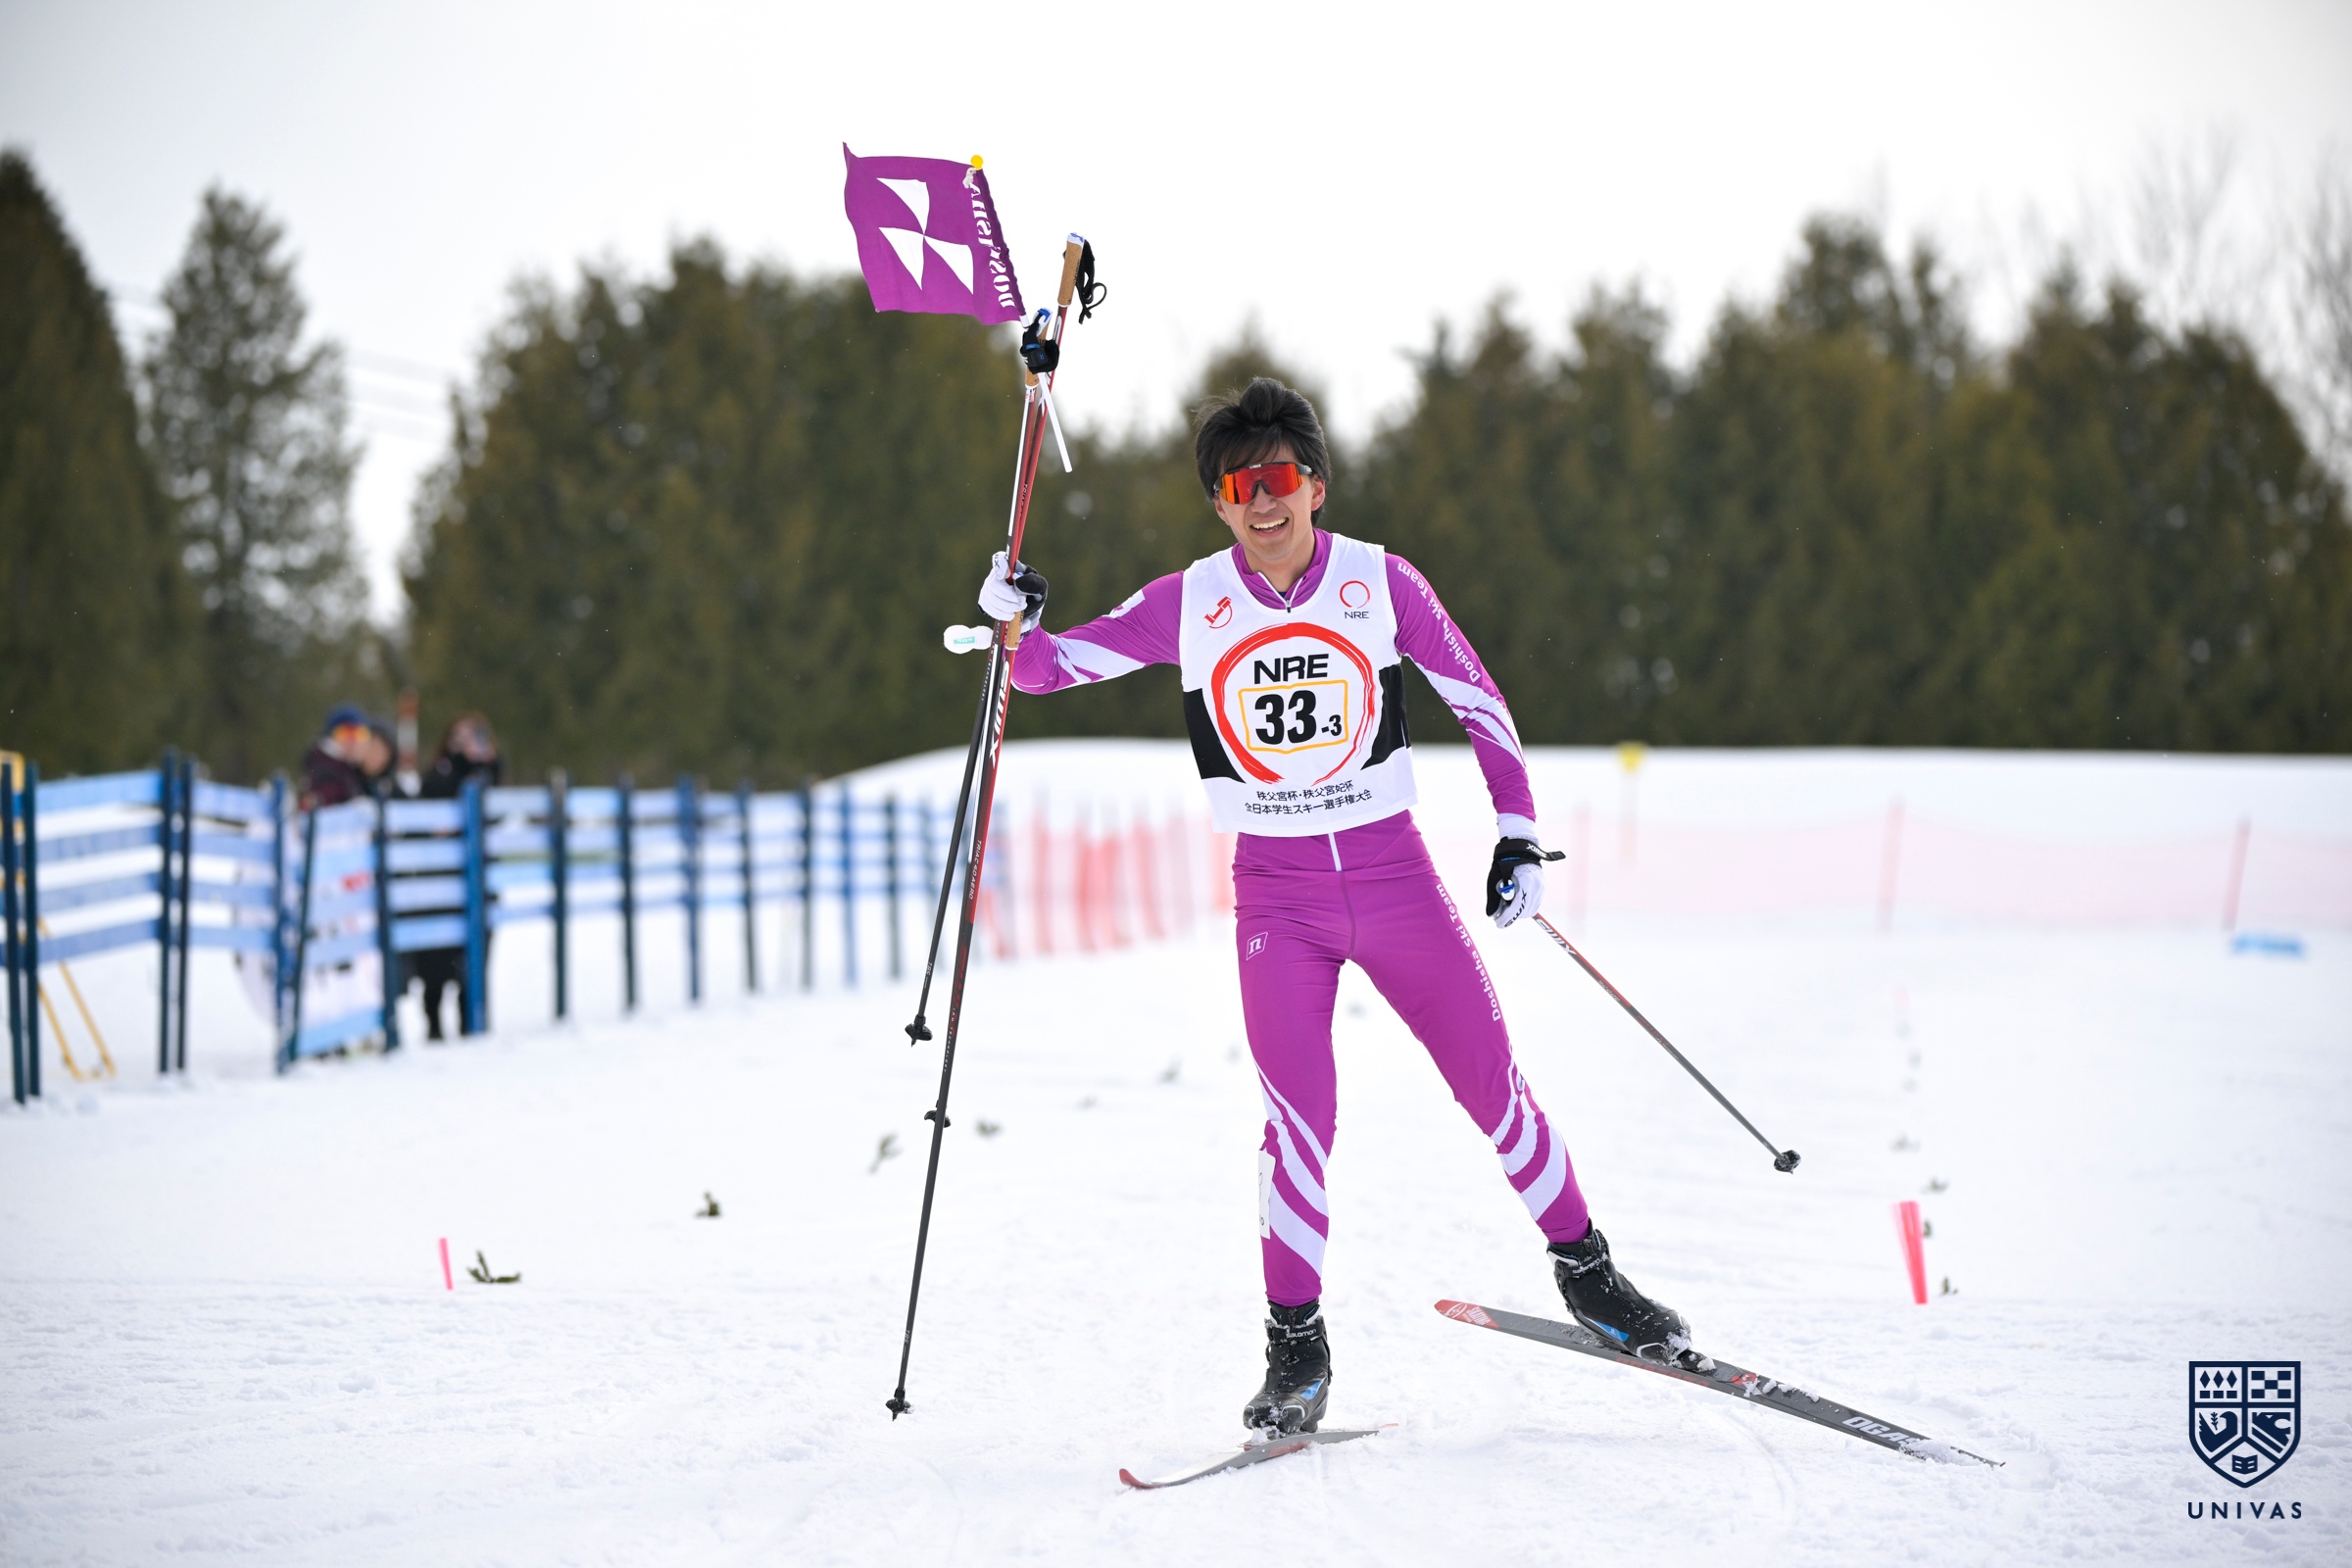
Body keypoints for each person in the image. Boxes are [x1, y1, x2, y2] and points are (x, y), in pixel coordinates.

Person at [976, 377, 1699, 1438]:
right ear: (1218, 504)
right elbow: (1046, 671)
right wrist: (1014, 619)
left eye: (1279, 479)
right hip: (1279, 901)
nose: (1263, 502)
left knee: (1493, 1086)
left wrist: (1517, 831)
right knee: (1296, 1120)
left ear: (1316, 484)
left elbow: (1478, 697)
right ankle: (1296, 1351)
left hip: (1394, 879)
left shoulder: (1379, 582)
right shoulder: (1189, 601)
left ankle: (1591, 1278)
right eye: (1239, 487)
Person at [408, 712, 503, 1041]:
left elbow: (494, 800)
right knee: (436, 962)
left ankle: (471, 1023)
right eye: (458, 738)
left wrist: (485, 761)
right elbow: (431, 808)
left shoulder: (487, 774)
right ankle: (434, 1025)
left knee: (474, 960)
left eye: (475, 736)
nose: (466, 745)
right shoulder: (439, 773)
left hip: (479, 884)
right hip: (441, 887)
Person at [299, 705, 393, 810]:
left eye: (359, 734)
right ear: (331, 737)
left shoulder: (350, 768)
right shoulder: (324, 766)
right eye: (344, 733)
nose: (352, 741)